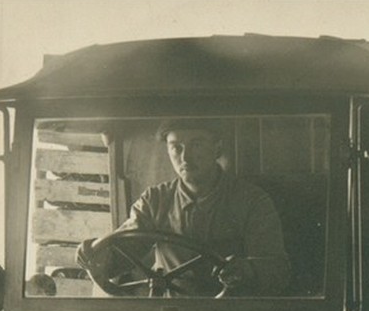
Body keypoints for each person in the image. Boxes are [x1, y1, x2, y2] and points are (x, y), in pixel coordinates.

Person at [79, 118, 291, 296]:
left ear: (217, 147)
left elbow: (277, 271)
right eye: (176, 147)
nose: (185, 157)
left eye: (196, 145)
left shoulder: (252, 201)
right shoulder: (154, 200)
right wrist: (94, 254)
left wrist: (248, 269)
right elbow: (122, 252)